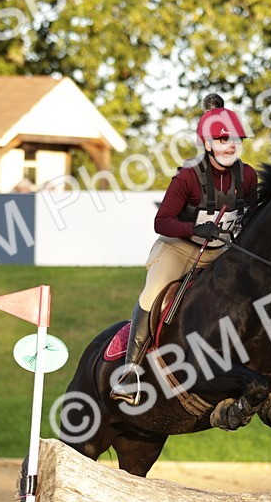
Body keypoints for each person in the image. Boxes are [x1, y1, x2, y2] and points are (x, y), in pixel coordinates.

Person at [110, 94, 259, 403]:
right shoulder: (188, 177)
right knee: (152, 293)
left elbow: (252, 215)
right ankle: (129, 374)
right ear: (208, 145)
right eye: (223, 140)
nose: (231, 146)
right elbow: (161, 222)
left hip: (220, 252)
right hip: (179, 248)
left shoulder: (247, 177)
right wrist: (194, 229)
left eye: (236, 140)